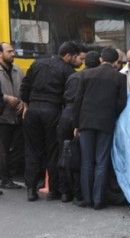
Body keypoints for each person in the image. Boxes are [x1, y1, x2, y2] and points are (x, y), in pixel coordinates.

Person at [20, 41, 81, 202]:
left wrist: (27, 104)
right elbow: (68, 95)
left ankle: (31, 190)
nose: (77, 60)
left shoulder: (37, 64)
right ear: (67, 55)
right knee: (53, 150)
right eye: (75, 57)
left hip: (32, 110)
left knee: (32, 150)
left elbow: (24, 87)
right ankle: (54, 190)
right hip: (52, 110)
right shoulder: (68, 70)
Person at [73, 48, 127, 210]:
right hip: (106, 123)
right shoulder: (120, 78)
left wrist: (77, 124)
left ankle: (87, 199)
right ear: (116, 61)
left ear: (101, 58)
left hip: (86, 122)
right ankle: (98, 200)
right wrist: (111, 115)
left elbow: (78, 101)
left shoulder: (85, 74)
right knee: (102, 161)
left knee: (86, 161)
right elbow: (121, 103)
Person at [57, 51, 100, 204]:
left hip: (66, 115)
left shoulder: (73, 76)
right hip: (81, 118)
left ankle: (64, 192)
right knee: (79, 156)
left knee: (64, 154)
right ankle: (77, 192)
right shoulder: (93, 79)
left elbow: (65, 97)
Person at [0, 42, 24, 190]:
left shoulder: (18, 71)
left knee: (15, 149)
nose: (13, 54)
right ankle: (5, 179)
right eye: (9, 51)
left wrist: (24, 102)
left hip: (17, 116)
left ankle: (9, 175)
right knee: (3, 150)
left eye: (13, 51)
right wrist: (5, 98)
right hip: (3, 117)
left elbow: (25, 89)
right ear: (0, 54)